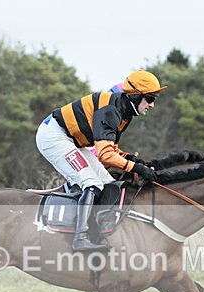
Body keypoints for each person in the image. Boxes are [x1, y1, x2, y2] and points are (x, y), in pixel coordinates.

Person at [36, 70, 166, 251]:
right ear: (136, 96)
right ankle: (80, 238)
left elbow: (109, 149)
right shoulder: (111, 111)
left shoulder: (124, 111)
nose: (152, 105)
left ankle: (95, 231)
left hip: (73, 141)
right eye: (150, 98)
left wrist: (131, 159)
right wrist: (136, 168)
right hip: (53, 136)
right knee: (91, 183)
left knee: (108, 183)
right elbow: (104, 155)